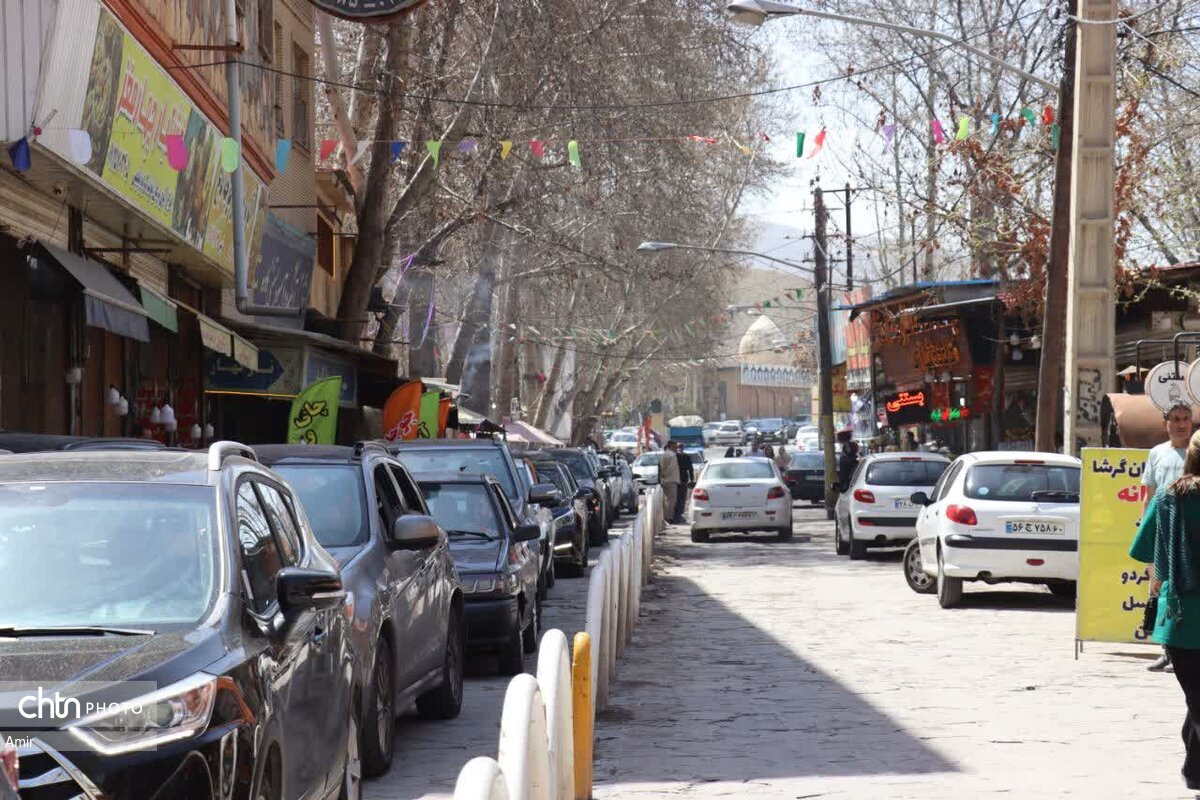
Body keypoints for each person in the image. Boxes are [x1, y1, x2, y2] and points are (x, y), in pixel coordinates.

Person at [1130, 428, 1200, 793]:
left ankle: (1195, 770)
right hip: (1183, 619)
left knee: (1196, 698)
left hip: (1180, 620)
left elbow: (1142, 549)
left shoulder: (1168, 497)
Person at [1145, 402, 1196, 673]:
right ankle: (1167, 651)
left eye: (1186, 418)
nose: (1181, 424)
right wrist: (1146, 529)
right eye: (1175, 419)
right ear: (1166, 422)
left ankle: (1183, 653)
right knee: (1160, 591)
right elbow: (1149, 496)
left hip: (1188, 533)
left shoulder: (1195, 452)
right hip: (1164, 533)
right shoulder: (1157, 453)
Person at [658, 440, 681, 525]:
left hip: (664, 480)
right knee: (671, 500)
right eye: (675, 446)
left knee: (666, 499)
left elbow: (661, 467)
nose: (676, 448)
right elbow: (671, 468)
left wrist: (663, 475)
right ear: (671, 446)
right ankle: (669, 517)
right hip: (671, 479)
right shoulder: (672, 455)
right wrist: (665, 474)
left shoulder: (664, 454)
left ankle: (665, 516)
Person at [673, 444, 694, 523]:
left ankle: (675, 514)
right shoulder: (686, 456)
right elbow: (690, 469)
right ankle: (680, 514)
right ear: (683, 448)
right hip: (683, 479)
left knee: (675, 497)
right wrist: (691, 479)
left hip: (675, 479)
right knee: (682, 497)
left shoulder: (674, 456)